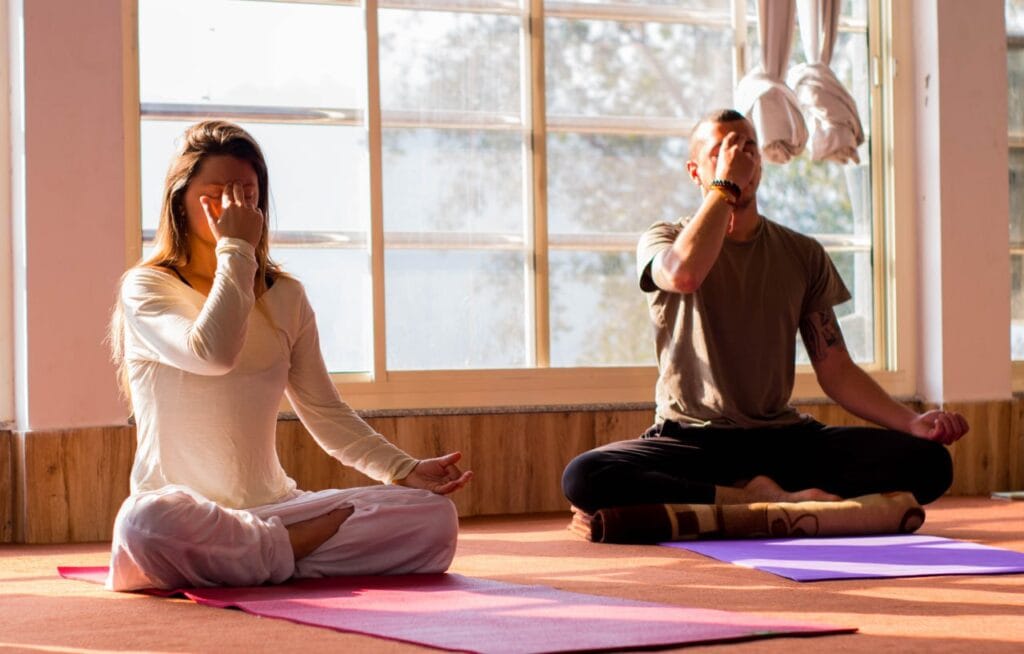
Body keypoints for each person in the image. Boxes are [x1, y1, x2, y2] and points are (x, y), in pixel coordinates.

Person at [107, 120, 471, 591]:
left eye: (246, 194)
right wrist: (236, 249)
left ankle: (263, 552)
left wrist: (404, 469)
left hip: (275, 507)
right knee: (146, 523)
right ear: (180, 201)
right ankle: (289, 549)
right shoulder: (148, 286)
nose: (233, 208)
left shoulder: (286, 296)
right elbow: (213, 353)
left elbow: (324, 411)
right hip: (186, 513)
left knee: (434, 518)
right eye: (216, 195)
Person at [562, 108, 968, 514]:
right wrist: (725, 185)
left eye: (748, 148)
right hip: (693, 441)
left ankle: (754, 497)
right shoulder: (665, 238)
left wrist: (910, 422)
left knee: (930, 465)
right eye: (721, 151)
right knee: (585, 476)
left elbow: (837, 369)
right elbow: (684, 274)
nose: (739, 159)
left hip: (781, 441)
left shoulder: (802, 253)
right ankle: (754, 498)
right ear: (695, 172)